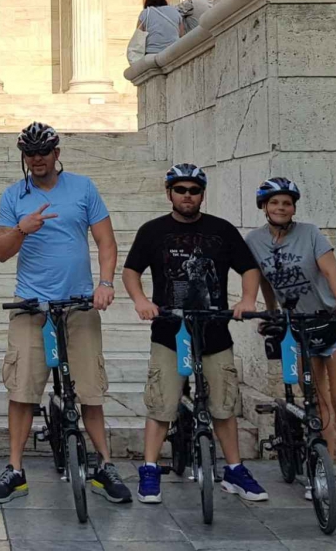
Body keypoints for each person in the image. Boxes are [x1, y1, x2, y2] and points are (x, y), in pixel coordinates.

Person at [0, 123, 132, 506]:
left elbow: (106, 241)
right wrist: (23, 227)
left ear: (56, 152)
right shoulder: (14, 195)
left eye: (43, 152)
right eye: (30, 153)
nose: (37, 159)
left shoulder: (83, 188)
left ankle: (105, 464)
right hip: (31, 306)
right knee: (21, 390)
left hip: (79, 304)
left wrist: (105, 283)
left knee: (90, 390)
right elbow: (1, 251)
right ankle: (15, 470)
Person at [122, 163, 268, 505]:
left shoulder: (221, 230)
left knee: (224, 404)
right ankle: (149, 469)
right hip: (170, 332)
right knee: (162, 404)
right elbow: (131, 272)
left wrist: (247, 299)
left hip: (215, 331)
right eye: (181, 190)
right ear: (169, 192)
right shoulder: (152, 231)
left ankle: (234, 469)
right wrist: (142, 300)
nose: (187, 196)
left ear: (202, 194)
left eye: (194, 190)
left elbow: (249, 268)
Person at [245, 177, 336, 505]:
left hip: (333, 325)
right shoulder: (254, 240)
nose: (281, 208)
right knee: (316, 402)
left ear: (293, 207)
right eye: (274, 203)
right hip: (299, 328)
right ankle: (322, 470)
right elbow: (265, 280)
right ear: (264, 207)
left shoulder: (310, 233)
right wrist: (270, 312)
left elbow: (331, 272)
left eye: (286, 203)